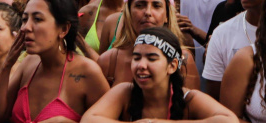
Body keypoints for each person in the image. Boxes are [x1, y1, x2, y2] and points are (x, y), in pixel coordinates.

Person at [0, 0, 109, 123]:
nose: (26, 27)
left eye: (37, 19)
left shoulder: (87, 72)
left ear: (63, 29)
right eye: (25, 19)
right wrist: (6, 65)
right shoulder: (28, 64)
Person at [83, 27, 238, 123]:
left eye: (151, 58)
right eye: (136, 58)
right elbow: (89, 120)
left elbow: (229, 120)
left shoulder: (189, 98)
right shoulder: (125, 91)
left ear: (172, 66)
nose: (141, 65)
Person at [97, 0, 201, 88]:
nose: (148, 12)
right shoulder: (108, 61)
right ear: (128, 13)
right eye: (140, 5)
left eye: (156, 6)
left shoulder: (183, 59)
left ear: (167, 15)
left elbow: (190, 104)